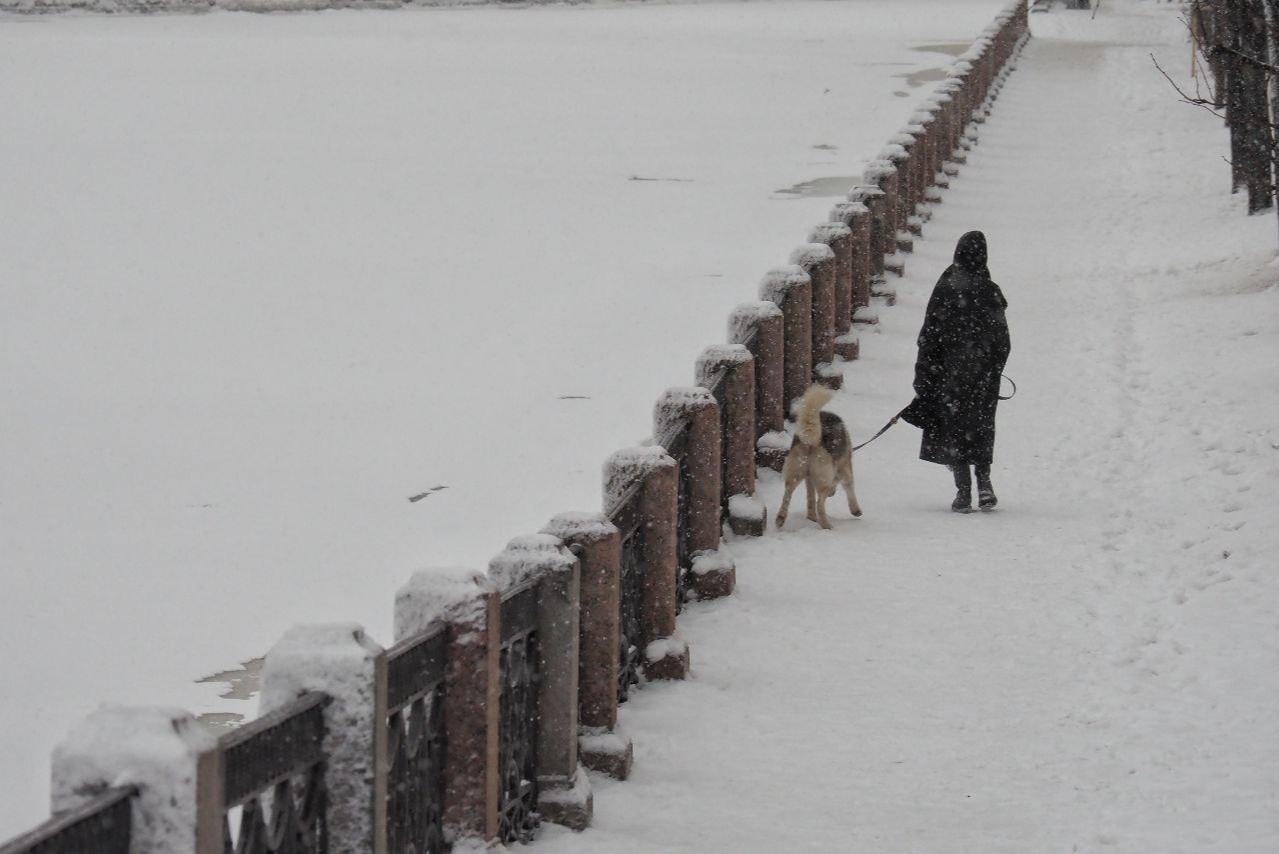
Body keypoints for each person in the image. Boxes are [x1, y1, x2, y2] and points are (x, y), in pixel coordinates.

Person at [900, 231, 1010, 513]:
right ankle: (984, 484)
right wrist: (993, 367)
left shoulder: (946, 288)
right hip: (983, 375)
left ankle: (963, 492)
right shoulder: (990, 290)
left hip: (951, 374)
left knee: (956, 427)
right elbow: (1003, 339)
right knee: (982, 426)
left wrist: (925, 377)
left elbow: (929, 337)